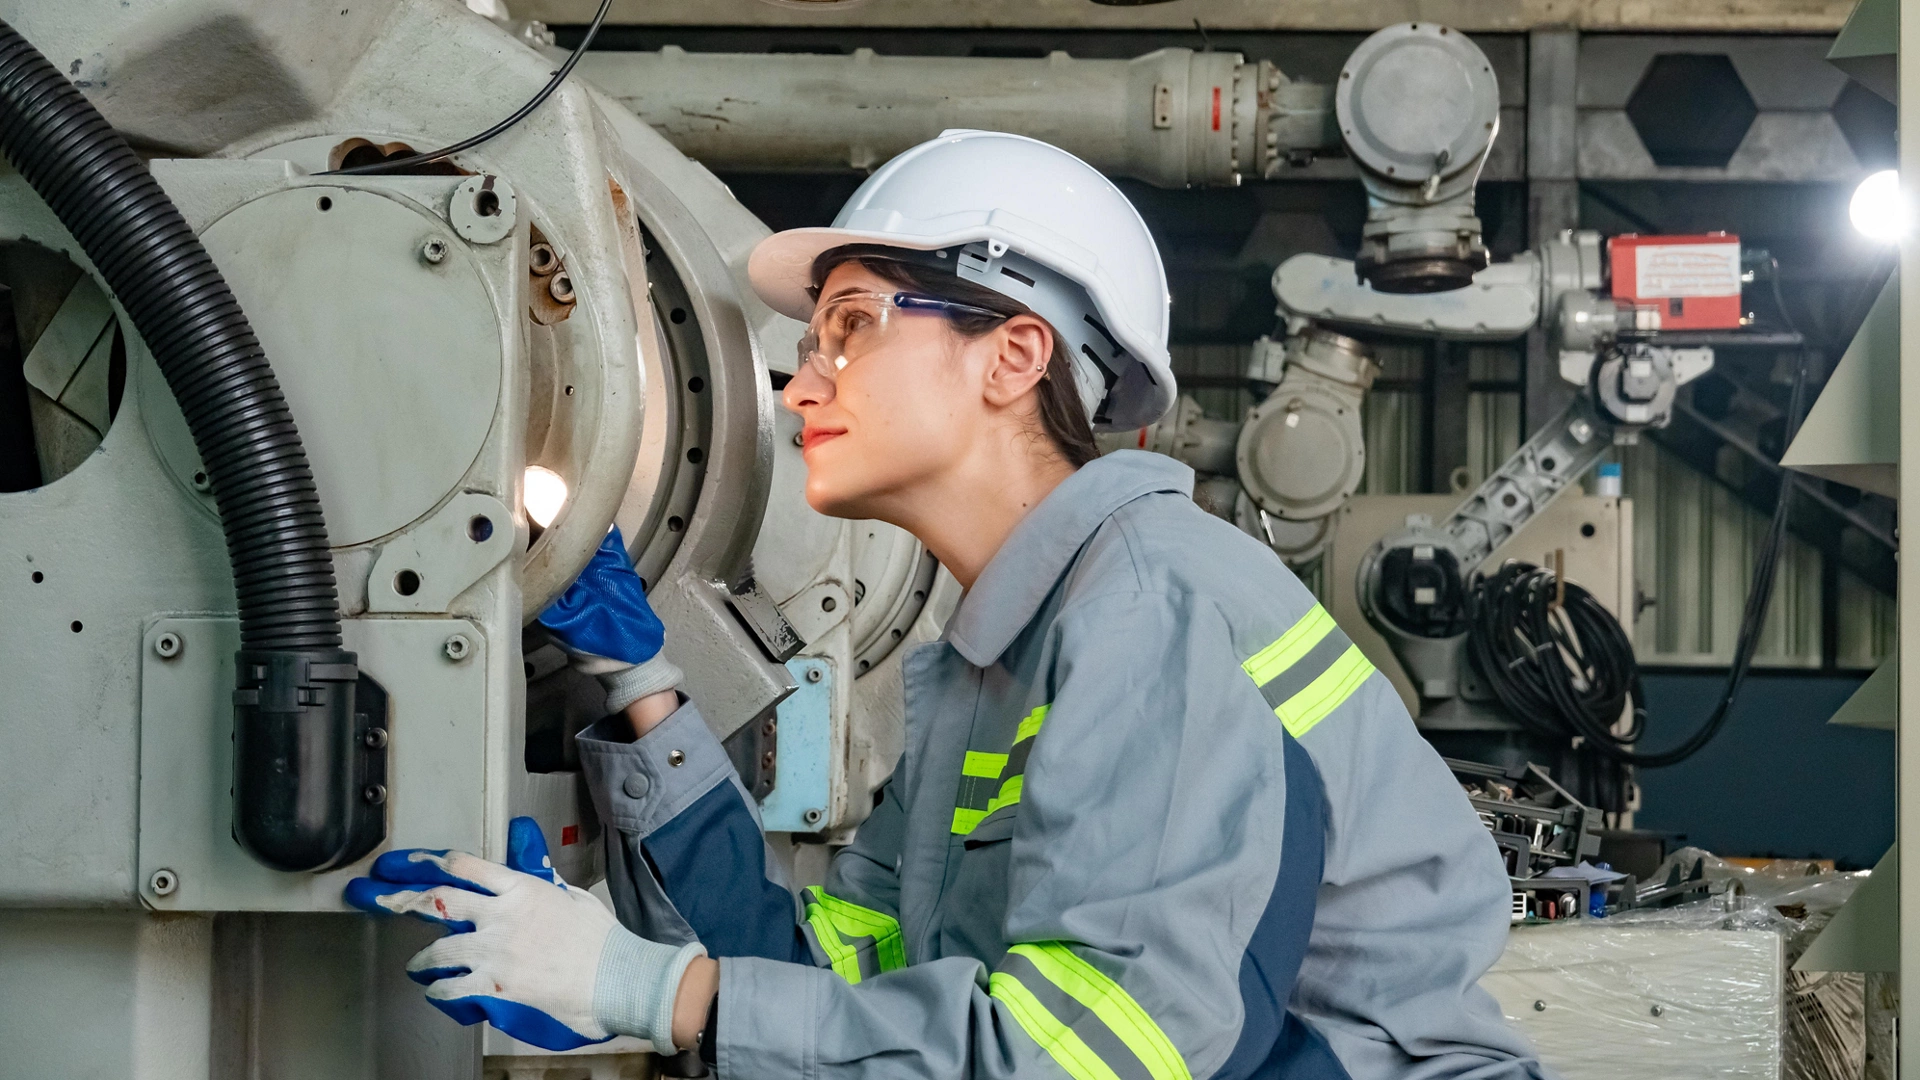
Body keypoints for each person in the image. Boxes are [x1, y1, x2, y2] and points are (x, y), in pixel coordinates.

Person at [348, 131, 1548, 1080]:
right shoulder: (1000, 656)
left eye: (852, 326)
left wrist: (654, 995)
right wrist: (640, 709)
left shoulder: (1150, 607)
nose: (801, 380)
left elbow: (1096, 1056)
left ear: (1013, 358)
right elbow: (833, 973)